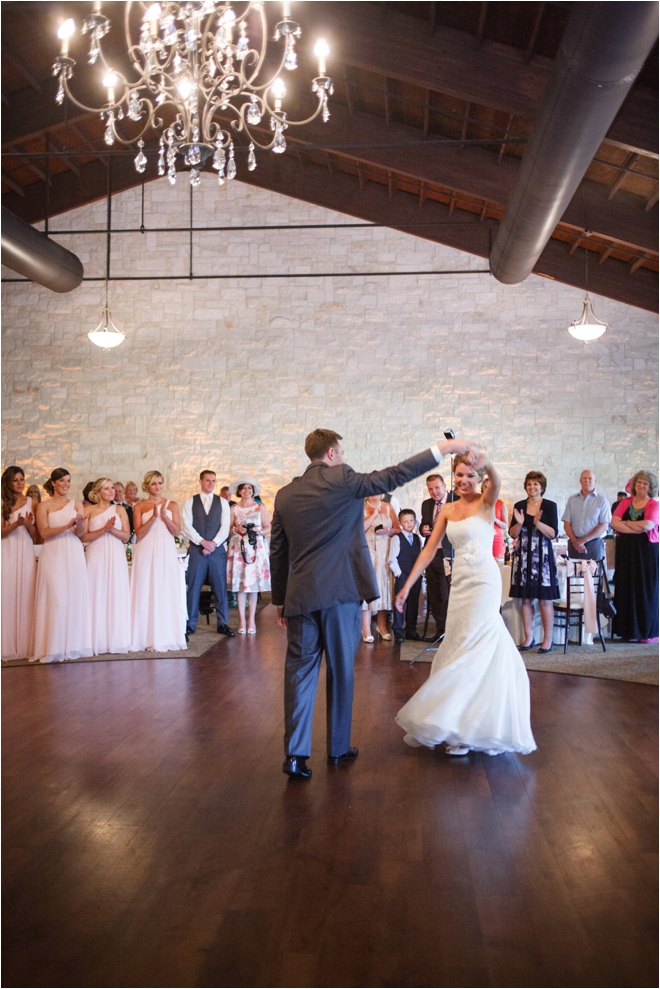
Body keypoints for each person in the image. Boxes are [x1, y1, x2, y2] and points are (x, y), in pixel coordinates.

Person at [270, 428, 480, 780]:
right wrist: (442, 449)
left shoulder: (285, 494)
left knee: (299, 675)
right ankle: (337, 748)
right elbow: (395, 474)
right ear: (333, 453)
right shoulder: (344, 479)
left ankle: (295, 755)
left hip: (301, 597)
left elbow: (278, 550)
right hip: (340, 595)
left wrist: (279, 600)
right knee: (341, 670)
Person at [395, 454, 536, 757]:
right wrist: (407, 586)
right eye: (459, 475)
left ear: (479, 478)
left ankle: (473, 727)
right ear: (453, 476)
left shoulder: (487, 501)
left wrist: (486, 461)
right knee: (458, 642)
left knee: (479, 642)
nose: (464, 481)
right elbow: (429, 550)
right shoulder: (446, 509)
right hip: (459, 581)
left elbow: (496, 481)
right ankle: (454, 721)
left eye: (470, 476)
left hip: (485, 581)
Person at [31, 467, 92, 663]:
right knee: (56, 597)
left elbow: (81, 534)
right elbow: (44, 532)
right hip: (53, 552)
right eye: (62, 480)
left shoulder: (76, 504)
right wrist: (67, 525)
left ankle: (73, 644)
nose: (66, 484)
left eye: (68, 480)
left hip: (73, 552)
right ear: (53, 483)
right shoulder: (44, 506)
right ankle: (53, 647)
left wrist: (79, 524)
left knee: (74, 597)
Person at [130, 471, 187, 653]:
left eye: (160, 483)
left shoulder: (173, 505)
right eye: (153, 484)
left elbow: (177, 531)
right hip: (146, 550)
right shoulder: (139, 506)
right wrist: (154, 517)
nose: (157, 487)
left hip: (165, 550)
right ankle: (144, 636)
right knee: (145, 588)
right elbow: (139, 534)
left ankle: (166, 635)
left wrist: (163, 516)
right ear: (147, 486)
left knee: (164, 588)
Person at [508, 470, 560, 654]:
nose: (532, 487)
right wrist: (521, 523)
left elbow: (553, 534)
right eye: (529, 484)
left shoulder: (550, 506)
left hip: (542, 557)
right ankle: (528, 638)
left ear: (542, 487)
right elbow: (512, 533)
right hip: (523, 556)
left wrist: (537, 523)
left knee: (545, 600)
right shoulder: (519, 505)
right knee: (526, 598)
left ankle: (547, 640)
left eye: (536, 484)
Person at [182, 470, 234, 638]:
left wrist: (213, 543)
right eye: (208, 480)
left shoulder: (223, 503)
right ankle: (190, 624)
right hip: (197, 550)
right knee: (194, 587)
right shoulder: (190, 501)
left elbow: (225, 526)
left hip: (217, 550)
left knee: (220, 587)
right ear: (200, 481)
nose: (211, 483)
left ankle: (223, 623)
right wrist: (202, 542)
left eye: (213, 481)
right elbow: (186, 526)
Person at [83, 478, 131, 655]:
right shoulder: (88, 510)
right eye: (107, 488)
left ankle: (116, 638)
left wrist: (111, 530)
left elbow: (126, 536)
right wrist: (102, 529)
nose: (111, 491)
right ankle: (95, 638)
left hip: (115, 553)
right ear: (97, 492)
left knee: (115, 592)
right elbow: (83, 537)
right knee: (96, 591)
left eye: (112, 488)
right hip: (96, 553)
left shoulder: (120, 509)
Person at [611, 470, 659, 643]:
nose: (641, 486)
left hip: (646, 551)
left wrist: (625, 524)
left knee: (645, 590)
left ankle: (648, 633)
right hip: (625, 550)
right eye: (639, 483)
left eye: (645, 483)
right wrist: (633, 527)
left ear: (650, 487)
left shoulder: (653, 504)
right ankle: (627, 630)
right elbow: (613, 522)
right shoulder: (626, 501)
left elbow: (648, 525)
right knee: (625, 588)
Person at [1, 466, 37, 660]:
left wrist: (29, 524)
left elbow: (35, 535)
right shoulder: (2, 502)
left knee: (25, 592)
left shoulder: (31, 501)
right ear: (7, 482)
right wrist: (16, 524)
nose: (20, 483)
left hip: (25, 550)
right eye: (15, 479)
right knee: (7, 593)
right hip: (6, 550)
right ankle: (6, 643)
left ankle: (24, 643)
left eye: (22, 479)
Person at [227, 478, 271, 634]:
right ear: (239, 491)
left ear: (253, 491)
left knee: (252, 585)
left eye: (249, 488)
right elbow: (228, 529)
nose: (247, 490)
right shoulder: (234, 508)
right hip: (239, 547)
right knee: (240, 586)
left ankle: (251, 619)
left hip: (255, 548)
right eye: (244, 488)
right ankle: (241, 620)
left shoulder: (260, 507)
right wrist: (236, 528)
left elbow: (268, 526)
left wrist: (259, 531)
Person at [361, 494, 399, 642]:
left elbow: (398, 528)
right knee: (368, 587)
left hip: (385, 553)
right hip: (367, 552)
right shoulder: (360, 507)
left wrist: (387, 531)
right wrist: (374, 514)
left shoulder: (389, 507)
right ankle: (366, 628)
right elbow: (357, 529)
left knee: (384, 587)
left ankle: (381, 626)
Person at [419, 474, 450, 639]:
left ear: (444, 486)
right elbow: (424, 523)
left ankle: (450, 630)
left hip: (448, 554)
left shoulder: (455, 501)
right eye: (430, 489)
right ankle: (440, 631)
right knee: (434, 594)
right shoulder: (426, 504)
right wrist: (423, 530)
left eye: (437, 487)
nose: (434, 492)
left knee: (447, 594)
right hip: (431, 553)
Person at [388, 509, 423, 644]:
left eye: (411, 521)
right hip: (402, 575)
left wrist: (420, 572)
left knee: (413, 602)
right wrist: (399, 574)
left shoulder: (417, 538)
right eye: (406, 521)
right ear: (400, 523)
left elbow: (421, 556)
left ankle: (411, 630)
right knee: (400, 602)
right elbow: (392, 559)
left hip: (415, 575)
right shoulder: (397, 538)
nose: (409, 523)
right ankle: (398, 630)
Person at [562, 470, 611, 561]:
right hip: (574, 544)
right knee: (574, 574)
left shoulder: (602, 500)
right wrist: (575, 542)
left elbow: (604, 525)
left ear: (595, 481)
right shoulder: (572, 500)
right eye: (584, 478)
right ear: (580, 480)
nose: (587, 481)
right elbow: (567, 524)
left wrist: (583, 540)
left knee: (593, 574)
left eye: (590, 478)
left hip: (594, 545)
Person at [482, 476, 508, 561]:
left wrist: (495, 520)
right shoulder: (478, 503)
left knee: (497, 563)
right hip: (482, 536)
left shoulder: (501, 504)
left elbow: (505, 526)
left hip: (496, 538)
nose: (487, 489)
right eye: (485, 487)